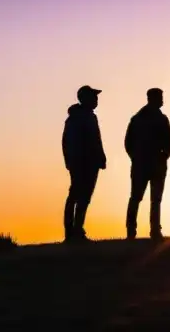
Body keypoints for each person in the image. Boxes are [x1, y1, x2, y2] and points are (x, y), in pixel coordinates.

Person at [124, 87, 170, 240]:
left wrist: (164, 156)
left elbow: (169, 142)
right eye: (160, 97)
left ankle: (152, 230)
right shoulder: (140, 119)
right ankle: (134, 230)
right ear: (152, 98)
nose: (162, 100)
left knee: (152, 198)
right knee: (138, 197)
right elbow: (128, 143)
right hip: (145, 164)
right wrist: (137, 157)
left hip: (153, 164)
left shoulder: (143, 118)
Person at [62, 85, 106, 242]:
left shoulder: (89, 117)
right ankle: (71, 233)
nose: (96, 100)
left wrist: (101, 157)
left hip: (90, 164)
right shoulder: (76, 119)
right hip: (81, 164)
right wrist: (73, 163)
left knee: (83, 198)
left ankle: (77, 230)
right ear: (85, 98)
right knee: (76, 196)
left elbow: (96, 140)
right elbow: (68, 143)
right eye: (93, 97)